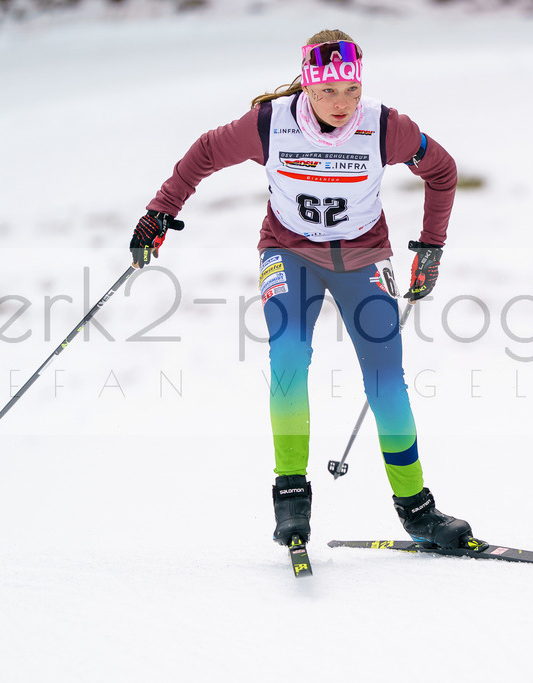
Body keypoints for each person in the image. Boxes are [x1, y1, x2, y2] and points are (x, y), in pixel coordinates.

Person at [128, 29, 473, 550]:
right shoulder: (269, 124)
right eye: (328, 91)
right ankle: (291, 498)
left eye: (351, 90)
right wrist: (160, 211)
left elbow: (442, 172)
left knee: (386, 378)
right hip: (289, 253)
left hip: (362, 257)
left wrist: (430, 247)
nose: (342, 103)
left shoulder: (386, 127)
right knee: (289, 355)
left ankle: (417, 511)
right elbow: (204, 152)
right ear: (306, 87)